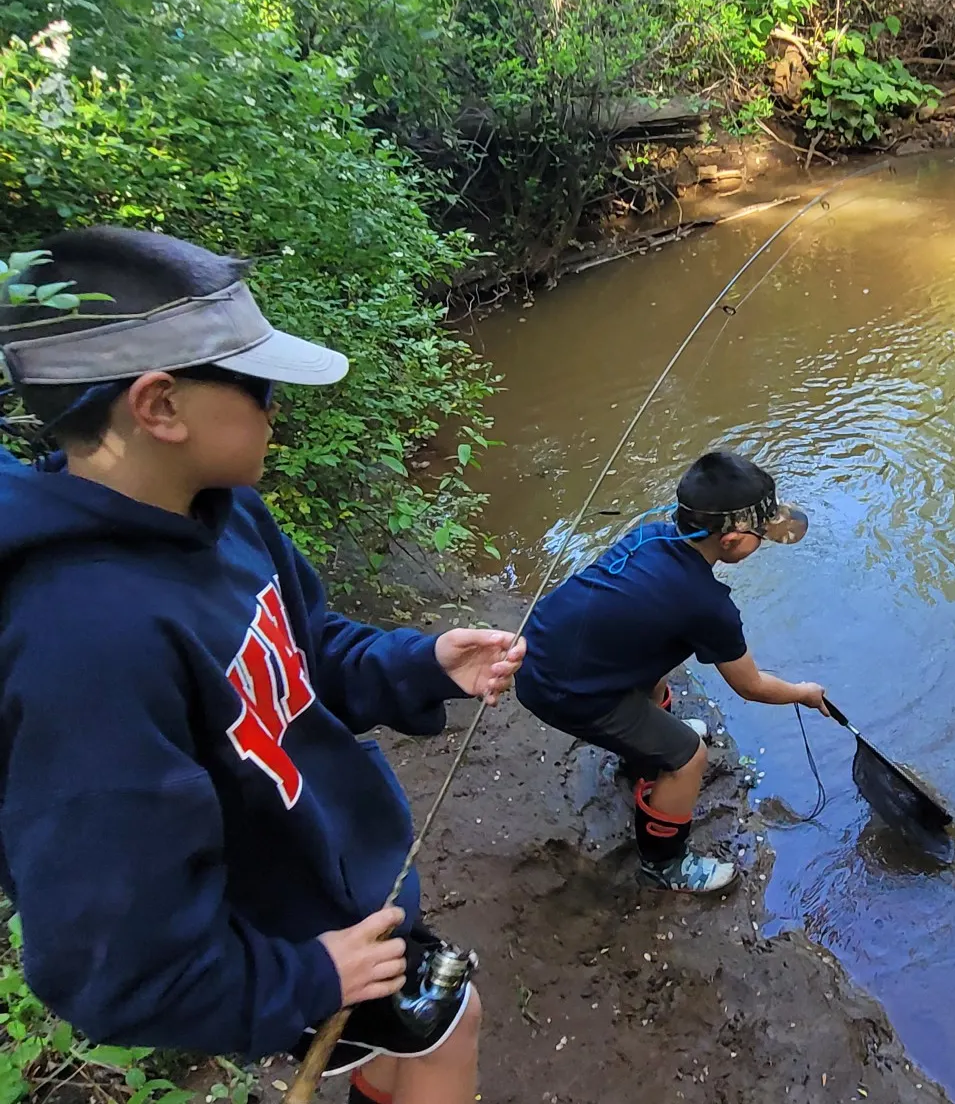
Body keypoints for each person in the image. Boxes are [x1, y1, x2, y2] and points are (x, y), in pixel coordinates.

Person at [0, 226, 525, 1104]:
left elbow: (307, 653)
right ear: (159, 407)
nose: (278, 407)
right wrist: (305, 979)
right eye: (260, 385)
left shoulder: (230, 513)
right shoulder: (82, 644)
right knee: (451, 1029)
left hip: (342, 899)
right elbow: (115, 967)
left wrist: (425, 663)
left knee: (412, 1046)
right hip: (284, 945)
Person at [515, 449, 827, 894]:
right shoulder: (707, 606)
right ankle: (664, 863)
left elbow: (641, 620)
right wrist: (803, 692)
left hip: (544, 649)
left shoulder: (653, 535)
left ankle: (642, 752)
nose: (765, 541)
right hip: (563, 689)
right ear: (734, 540)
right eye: (762, 533)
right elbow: (750, 686)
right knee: (688, 756)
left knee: (661, 662)